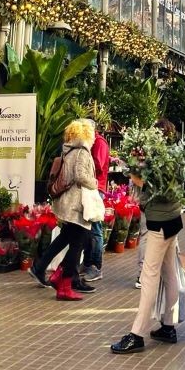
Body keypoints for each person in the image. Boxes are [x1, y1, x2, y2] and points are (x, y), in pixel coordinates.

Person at [112, 119, 183, 355]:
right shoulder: (175, 156)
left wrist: (133, 166)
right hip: (173, 219)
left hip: (159, 223)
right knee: (169, 273)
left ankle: (137, 334)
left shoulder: (158, 160)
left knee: (149, 276)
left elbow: (143, 182)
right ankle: (168, 327)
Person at [30, 119, 98, 301]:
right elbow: (81, 176)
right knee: (79, 243)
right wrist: (95, 183)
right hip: (77, 204)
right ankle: (64, 283)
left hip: (68, 203)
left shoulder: (69, 150)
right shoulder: (82, 152)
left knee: (69, 238)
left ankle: (52, 273)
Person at [135, 118, 176, 289]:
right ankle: (163, 273)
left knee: (147, 236)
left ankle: (144, 274)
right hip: (168, 204)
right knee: (168, 238)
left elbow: (140, 179)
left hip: (151, 203)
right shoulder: (173, 154)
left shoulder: (148, 154)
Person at [81, 118, 110, 282]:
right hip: (90, 187)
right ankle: (87, 263)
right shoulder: (91, 142)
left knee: (95, 229)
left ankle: (95, 266)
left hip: (96, 188)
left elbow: (98, 165)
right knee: (87, 228)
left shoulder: (99, 142)